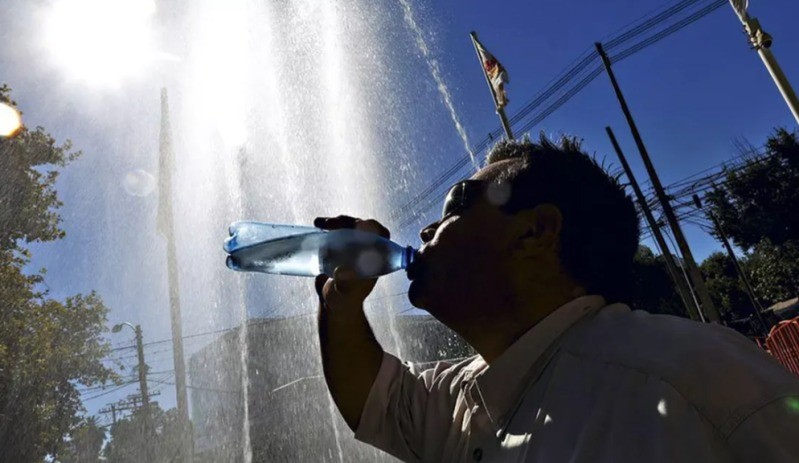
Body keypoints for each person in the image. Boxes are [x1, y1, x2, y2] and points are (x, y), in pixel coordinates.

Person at [313, 135, 799, 462]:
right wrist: (340, 304)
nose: (426, 228)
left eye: (457, 202)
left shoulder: (691, 377)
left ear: (536, 231)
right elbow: (377, 400)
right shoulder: (469, 394)